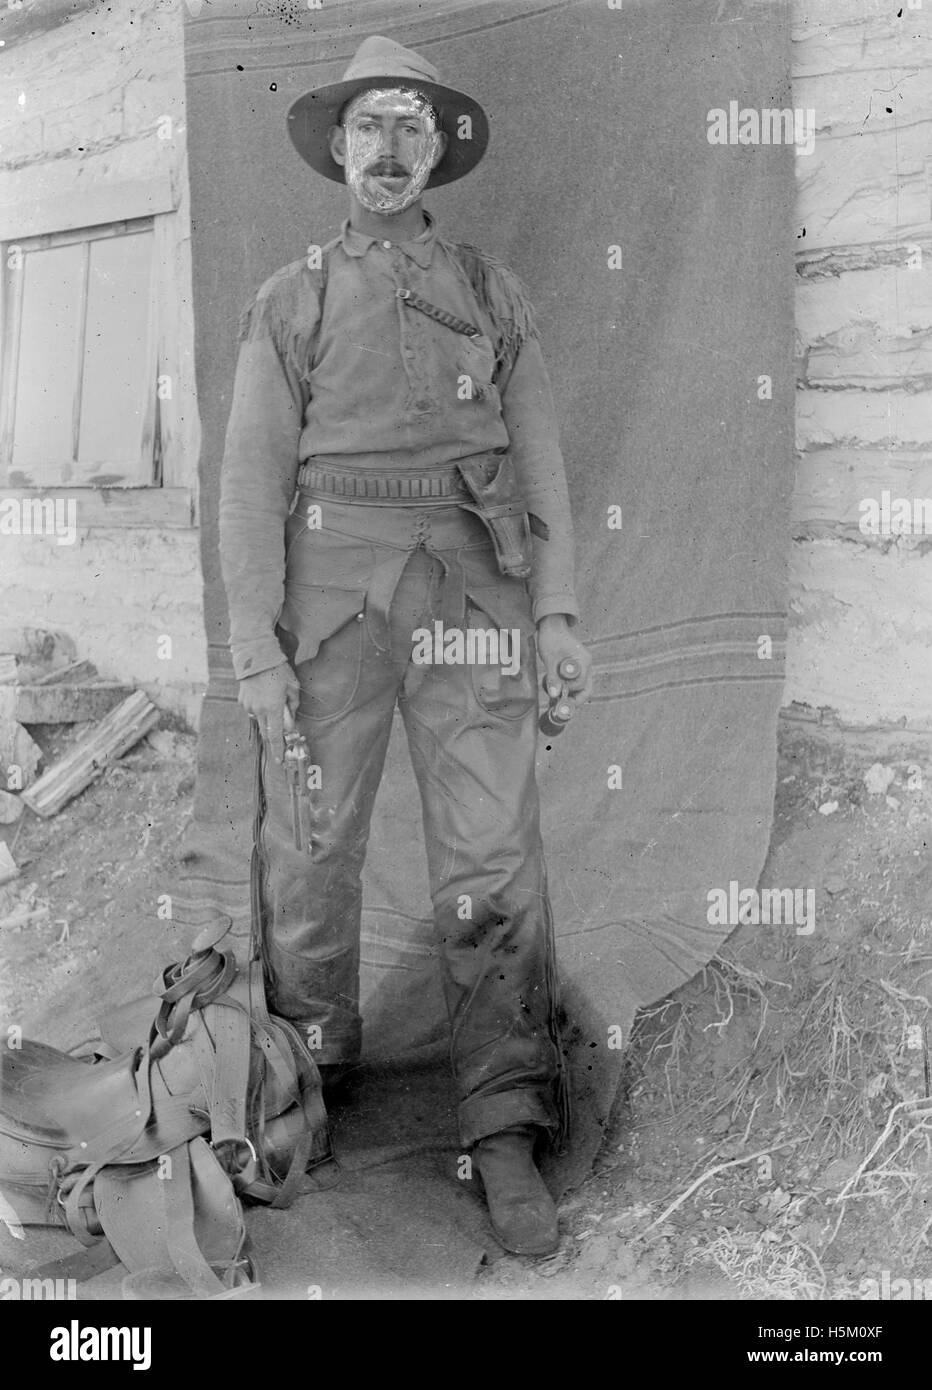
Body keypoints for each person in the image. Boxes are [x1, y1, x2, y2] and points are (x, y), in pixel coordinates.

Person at [219, 34, 592, 1257]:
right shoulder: (292, 298)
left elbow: (538, 465)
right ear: (337, 146)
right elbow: (246, 485)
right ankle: (305, 1090)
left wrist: (556, 616)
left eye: (410, 129)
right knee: (310, 843)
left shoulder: (488, 295)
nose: (387, 150)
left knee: (489, 847)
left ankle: (501, 1123)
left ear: (439, 151)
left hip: (472, 600)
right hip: (327, 608)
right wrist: (256, 652)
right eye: (367, 126)